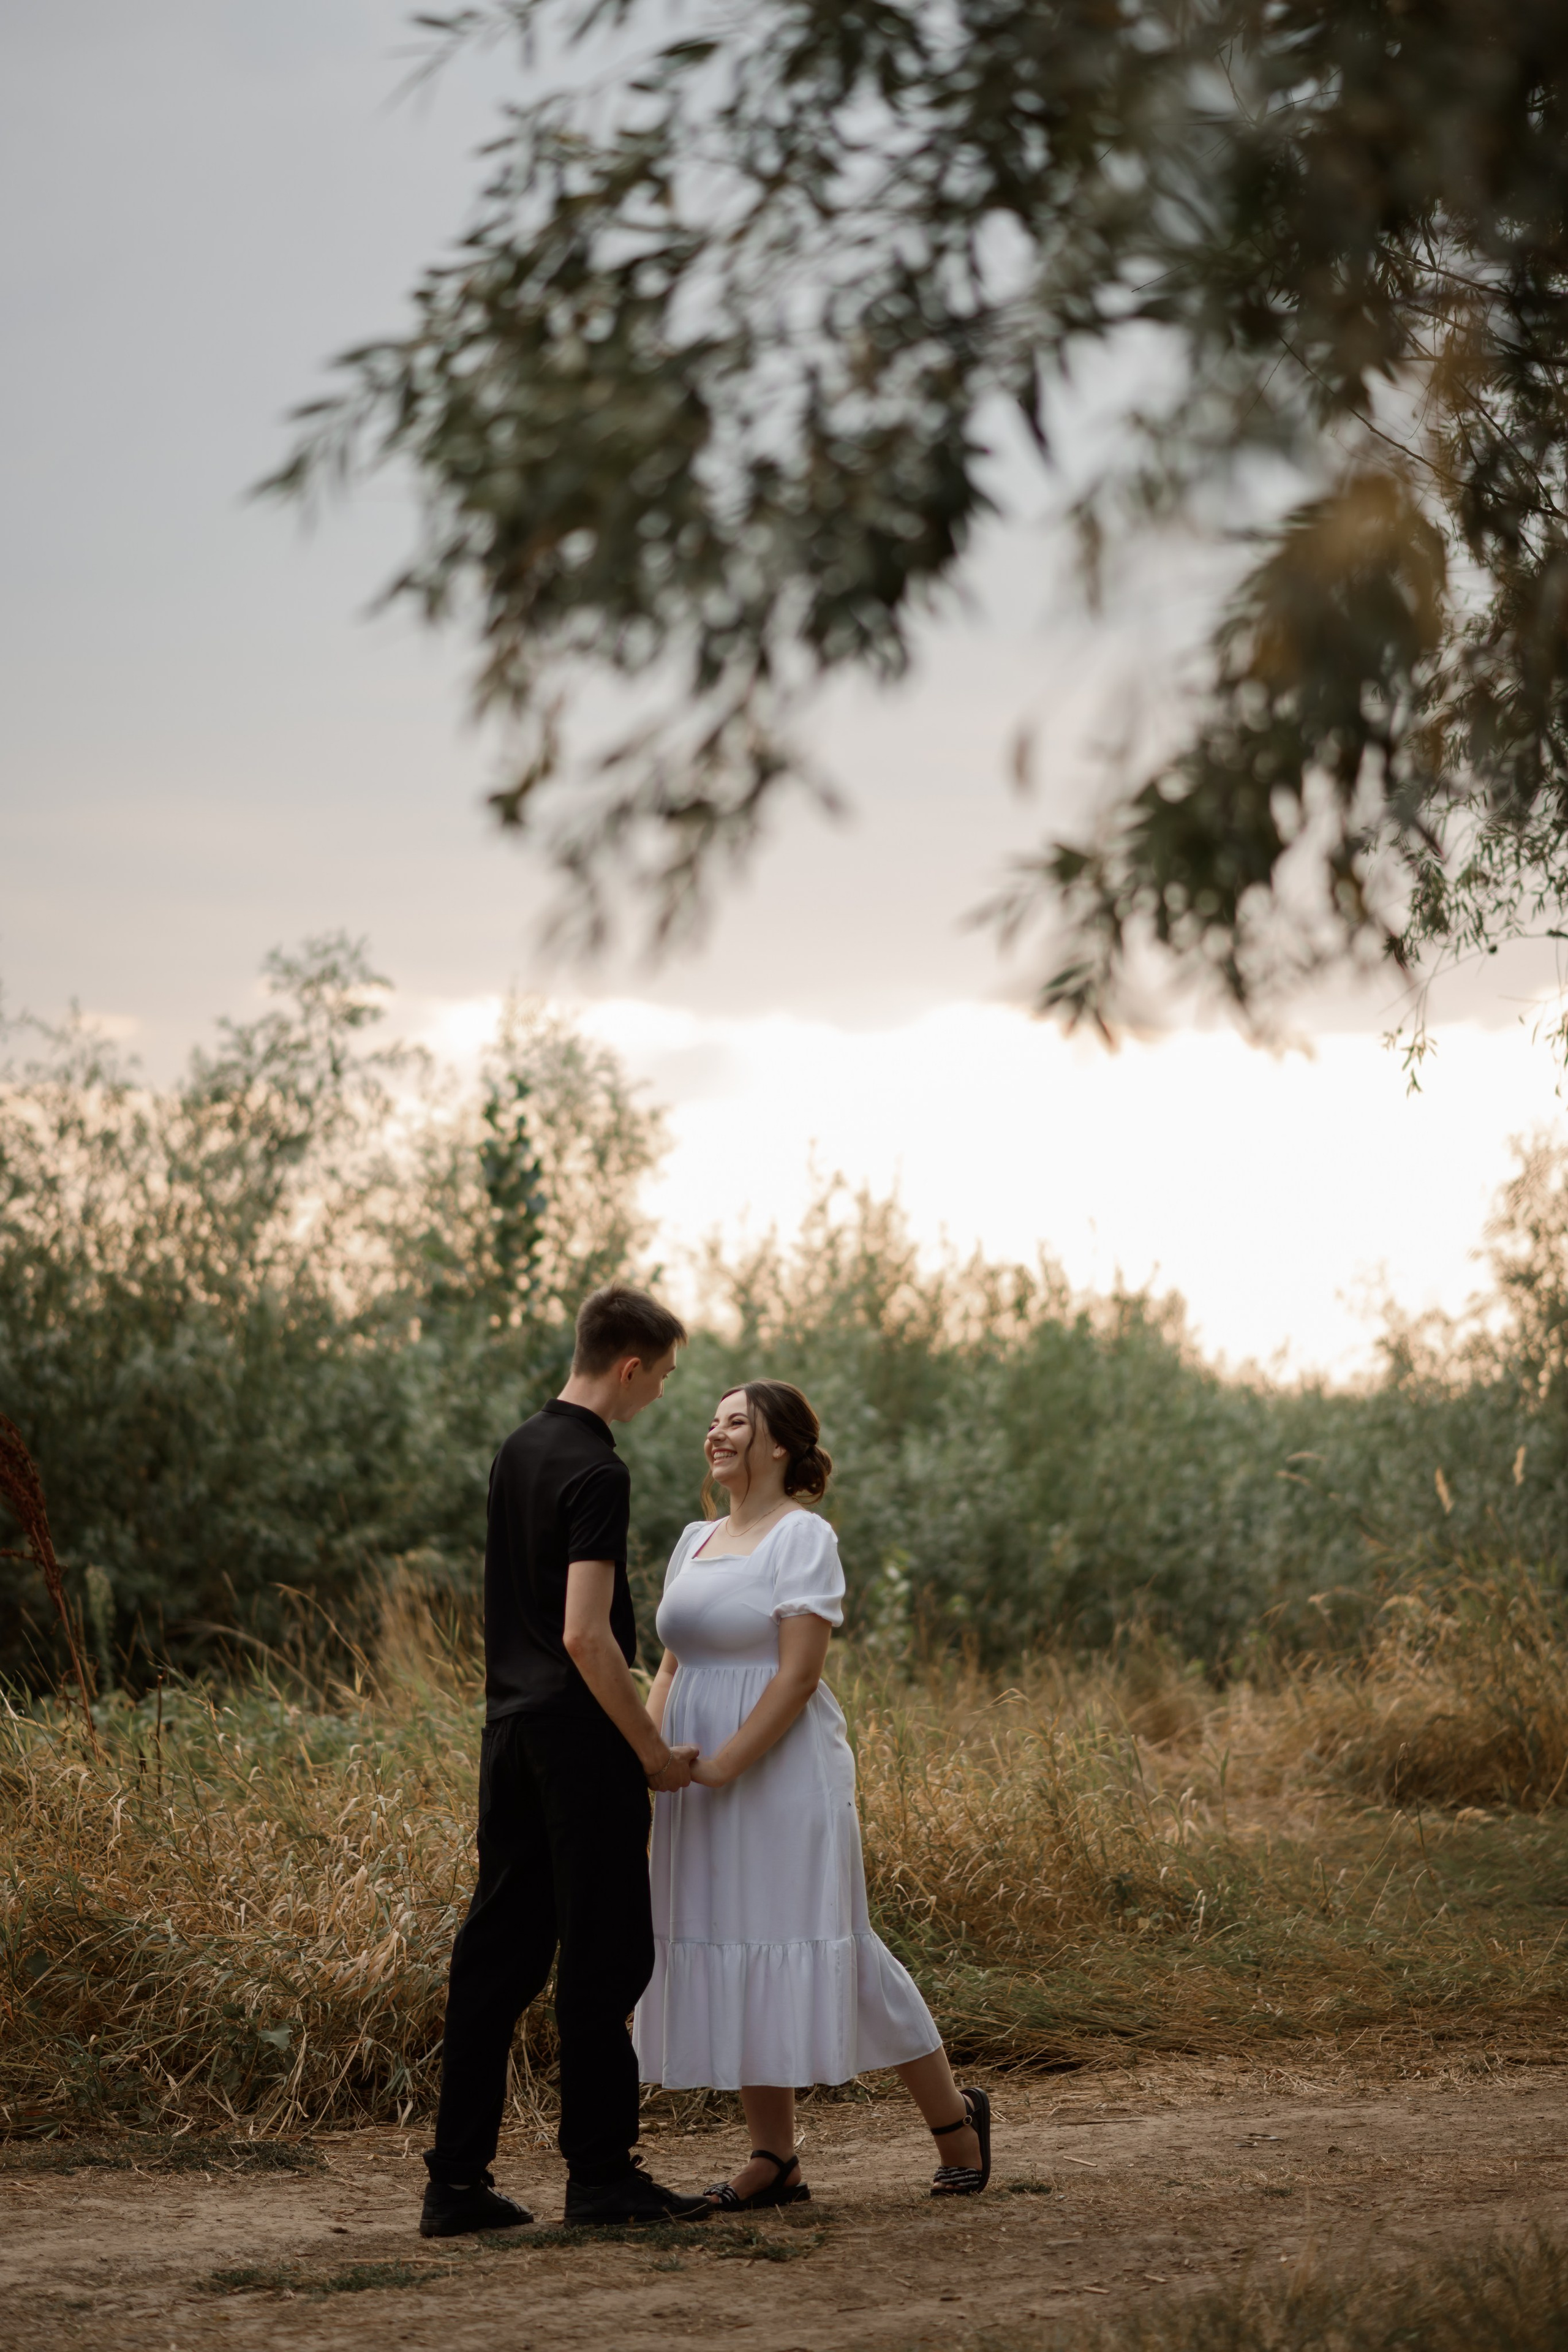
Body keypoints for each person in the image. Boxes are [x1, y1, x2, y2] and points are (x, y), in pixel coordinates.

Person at [632, 1380, 992, 2208]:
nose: (716, 1433)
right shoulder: (693, 1540)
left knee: (832, 1942)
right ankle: (775, 2160)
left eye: (737, 1422)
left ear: (779, 1445)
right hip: (693, 1778)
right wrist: (649, 1755)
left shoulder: (804, 1537)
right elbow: (674, 1666)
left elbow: (797, 1677)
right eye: (713, 1421)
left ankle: (955, 2121)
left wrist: (724, 1765)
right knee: (736, 1940)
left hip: (781, 1775)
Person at [420, 1284, 715, 2237]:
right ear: (628, 1367)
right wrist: (653, 1754)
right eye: (661, 1376)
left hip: (507, 1733)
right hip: (579, 1743)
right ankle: (600, 2177)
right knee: (606, 1954)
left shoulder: (517, 1449)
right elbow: (587, 1635)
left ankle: (454, 2185)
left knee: (496, 1961)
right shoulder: (599, 1469)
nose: (661, 1393)